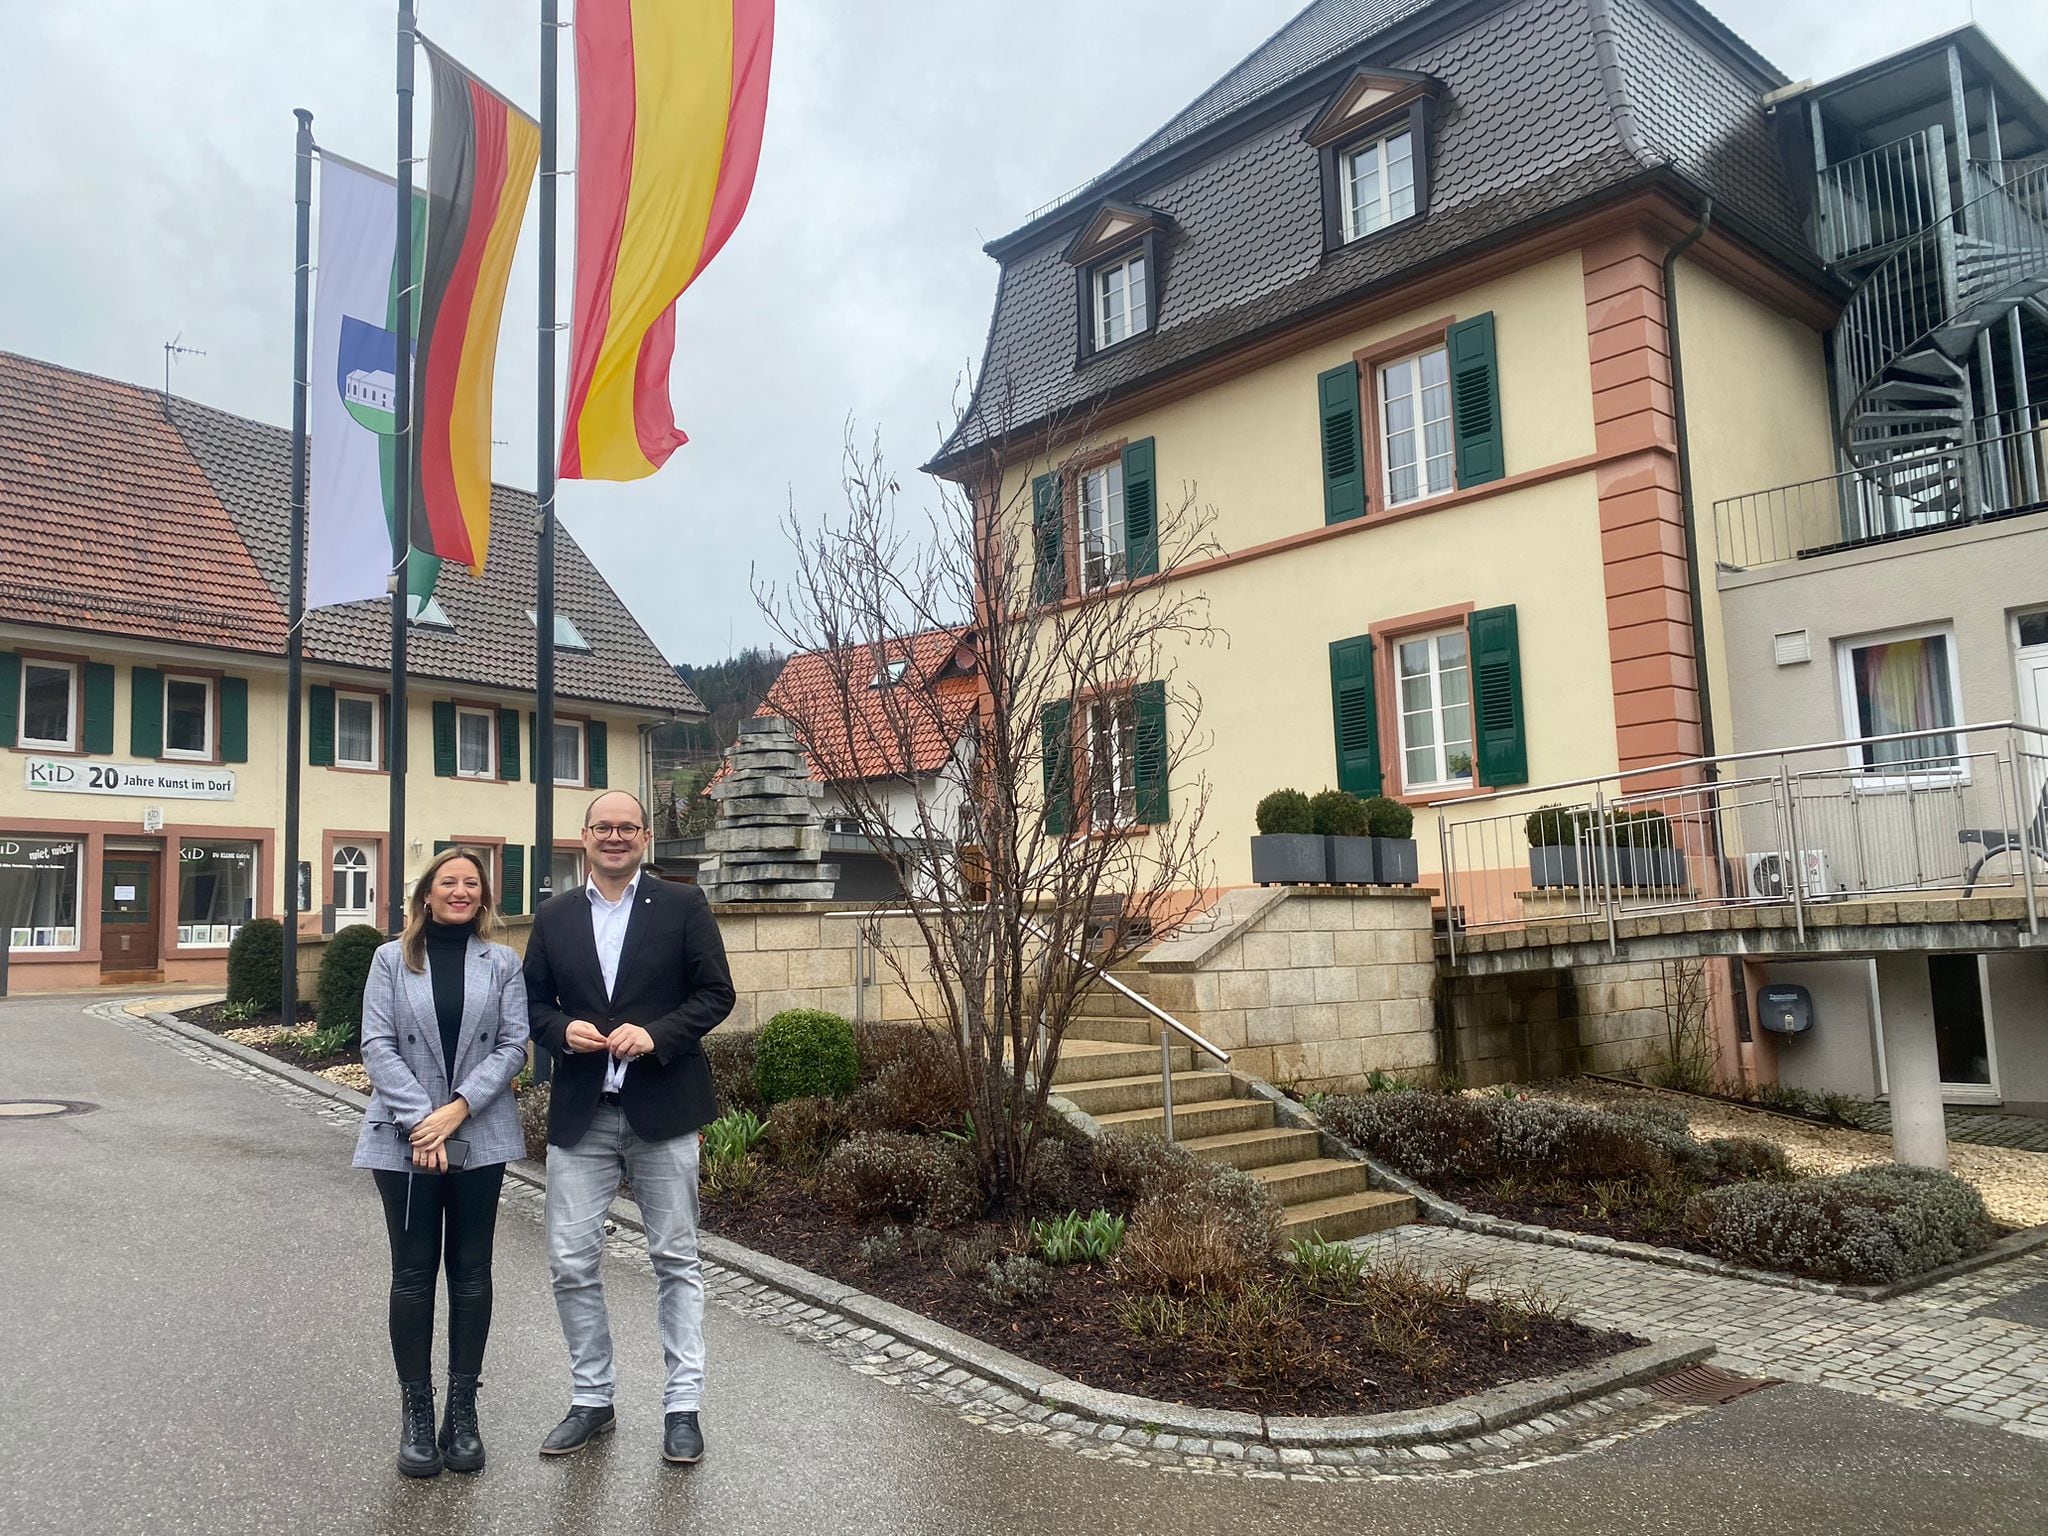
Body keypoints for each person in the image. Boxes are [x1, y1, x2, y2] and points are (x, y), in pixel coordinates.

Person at [524, 790, 735, 1465]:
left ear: (644, 836)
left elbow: (715, 994)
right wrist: (560, 1031)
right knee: (569, 1263)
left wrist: (657, 1034)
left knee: (675, 1259)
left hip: (664, 1111)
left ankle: (682, 1408)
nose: (614, 838)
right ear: (583, 838)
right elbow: (529, 1002)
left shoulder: (682, 905)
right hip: (584, 1115)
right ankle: (592, 1400)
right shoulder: (554, 916)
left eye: (626, 827)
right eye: (602, 828)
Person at [352, 847, 531, 1479]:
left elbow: (514, 1044)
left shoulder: (504, 962)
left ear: (483, 899)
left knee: (472, 1272)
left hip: (478, 1134)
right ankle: (418, 1414)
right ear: (425, 895)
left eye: (471, 884)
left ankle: (463, 1410)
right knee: (413, 1273)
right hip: (403, 1140)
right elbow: (374, 1041)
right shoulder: (389, 959)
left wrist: (456, 1110)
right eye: (447, 882)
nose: (459, 891)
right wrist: (420, 1118)